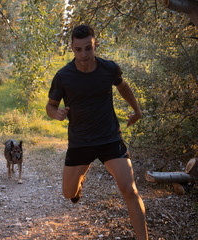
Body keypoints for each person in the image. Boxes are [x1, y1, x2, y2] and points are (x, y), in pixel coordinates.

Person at [46, 25, 148, 240]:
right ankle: (80, 179)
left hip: (109, 138)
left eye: (88, 48)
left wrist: (137, 110)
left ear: (95, 45)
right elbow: (50, 106)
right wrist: (56, 114)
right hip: (80, 141)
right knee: (68, 194)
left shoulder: (108, 69)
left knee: (129, 190)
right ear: (72, 49)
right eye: (78, 49)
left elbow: (122, 86)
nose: (84, 54)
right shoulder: (63, 76)